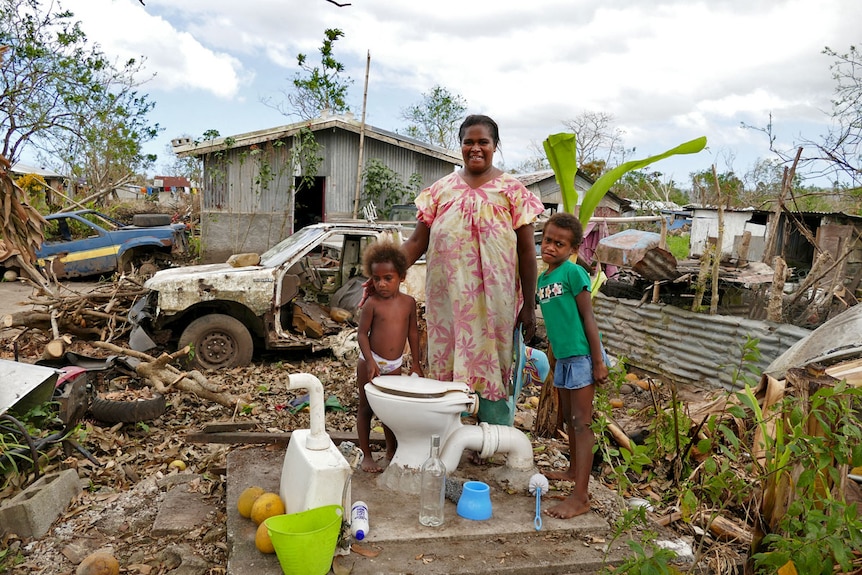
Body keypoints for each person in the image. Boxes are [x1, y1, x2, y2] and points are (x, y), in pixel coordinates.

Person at [400, 114, 545, 426]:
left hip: (495, 305)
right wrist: (381, 272)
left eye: (483, 142)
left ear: (495, 146)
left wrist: (530, 305)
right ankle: (448, 433)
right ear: (460, 145)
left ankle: (490, 439)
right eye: (469, 142)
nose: (475, 148)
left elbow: (526, 252)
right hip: (448, 303)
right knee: (447, 364)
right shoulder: (439, 192)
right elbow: (415, 243)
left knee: (494, 364)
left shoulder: (513, 191)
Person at [536, 212, 609, 518]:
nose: (551, 247)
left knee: (582, 423)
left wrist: (598, 362)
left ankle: (580, 496)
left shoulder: (573, 273)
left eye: (559, 243)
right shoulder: (543, 278)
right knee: (568, 420)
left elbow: (587, 319)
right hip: (564, 359)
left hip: (581, 356)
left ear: (573, 248)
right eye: (547, 240)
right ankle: (571, 471)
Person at [356, 241, 424, 472]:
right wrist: (370, 361)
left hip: (394, 365)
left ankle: (391, 450)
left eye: (388, 278)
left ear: (402, 277)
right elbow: (362, 335)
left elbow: (413, 332)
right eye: (377, 279)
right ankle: (366, 454)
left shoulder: (408, 303)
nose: (382, 284)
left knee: (390, 411)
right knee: (366, 409)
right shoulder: (372, 304)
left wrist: (416, 362)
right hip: (370, 360)